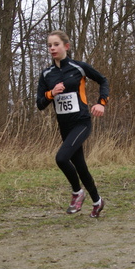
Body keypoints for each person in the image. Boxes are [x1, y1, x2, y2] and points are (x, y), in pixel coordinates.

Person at [36, 30, 109, 217]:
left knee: (61, 158)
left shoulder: (79, 67)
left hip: (81, 122)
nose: (52, 48)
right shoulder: (46, 75)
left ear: (66, 46)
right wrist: (52, 93)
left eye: (56, 44)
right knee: (80, 165)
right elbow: (40, 104)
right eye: (49, 45)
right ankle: (97, 201)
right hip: (65, 126)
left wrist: (101, 103)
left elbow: (103, 80)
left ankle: (77, 193)